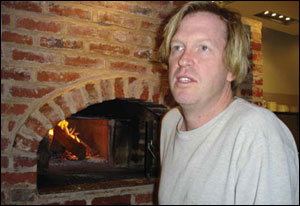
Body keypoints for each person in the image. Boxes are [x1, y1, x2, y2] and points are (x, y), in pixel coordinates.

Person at [158, 1, 299, 205]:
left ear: (231, 68)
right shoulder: (170, 123)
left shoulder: (258, 132)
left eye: (203, 48)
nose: (183, 59)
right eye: (177, 47)